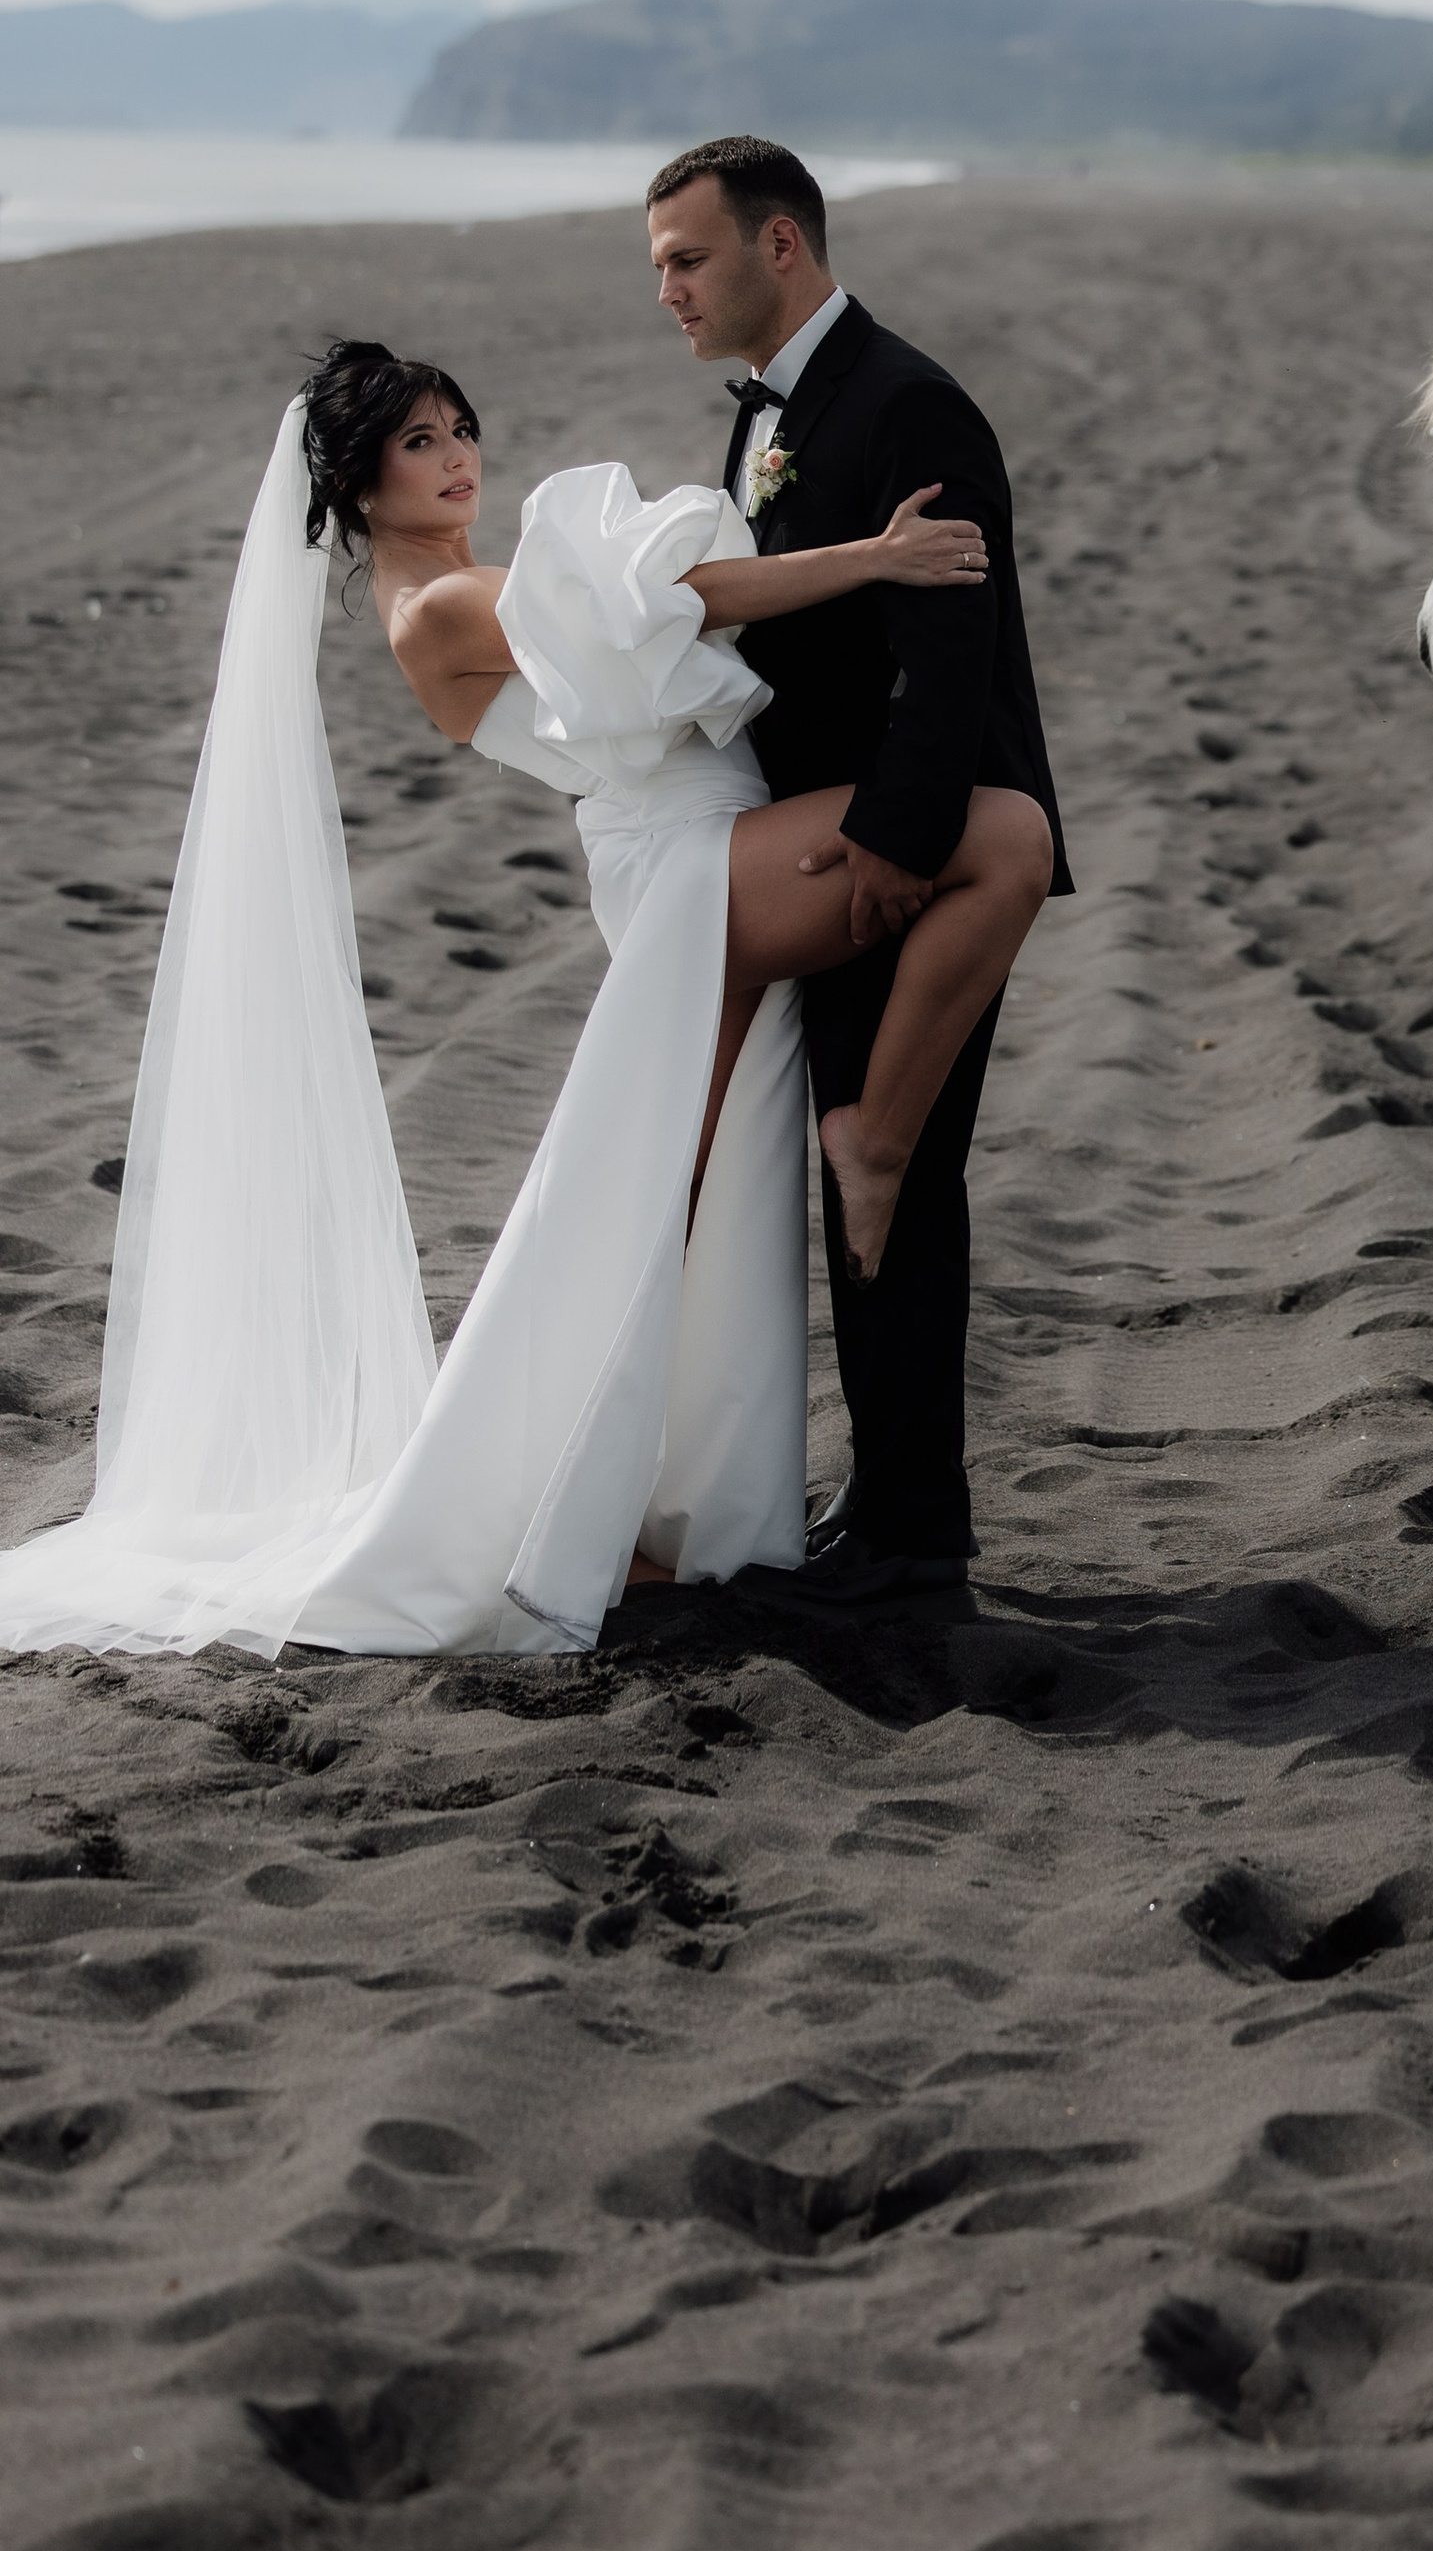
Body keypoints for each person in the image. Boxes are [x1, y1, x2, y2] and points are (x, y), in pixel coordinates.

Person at [0, 340, 992, 1661]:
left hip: (697, 853)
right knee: (987, 844)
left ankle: (626, 1515)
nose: (459, 455)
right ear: (356, 483)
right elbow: (683, 604)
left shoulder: (477, 580)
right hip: (683, 863)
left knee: (684, 1214)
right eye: (420, 441)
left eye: (462, 428)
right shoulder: (439, 610)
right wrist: (872, 558)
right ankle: (584, 1502)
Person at [644, 136, 1069, 1607]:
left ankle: (913, 1532)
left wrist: (891, 844)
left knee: (900, 1165)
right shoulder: (770, 415)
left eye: (688, 260)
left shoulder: (906, 402)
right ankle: (893, 1507)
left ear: (781, 246)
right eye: (658, 269)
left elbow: (955, 651)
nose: (671, 292)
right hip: (834, 839)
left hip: (920, 846)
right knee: (858, 1167)